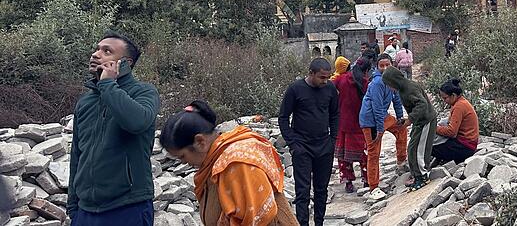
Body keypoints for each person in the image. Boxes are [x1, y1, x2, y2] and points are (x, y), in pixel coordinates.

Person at [67, 31, 160, 225]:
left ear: (126, 62)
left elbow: (136, 122)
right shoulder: (86, 102)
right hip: (85, 212)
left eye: (106, 51)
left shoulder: (143, 92)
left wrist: (108, 84)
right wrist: (73, 207)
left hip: (128, 207)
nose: (95, 54)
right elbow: (77, 154)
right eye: (97, 49)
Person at [160, 101, 299, 226]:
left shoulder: (236, 164)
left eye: (182, 156)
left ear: (200, 142)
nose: (184, 162)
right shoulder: (214, 162)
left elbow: (256, 219)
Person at [278, 58, 339, 226]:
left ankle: (319, 222)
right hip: (302, 146)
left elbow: (334, 114)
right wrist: (293, 144)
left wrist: (333, 139)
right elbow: (283, 118)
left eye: (327, 77)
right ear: (311, 73)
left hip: (324, 145)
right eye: (321, 77)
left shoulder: (330, 89)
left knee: (321, 190)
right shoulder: (295, 89)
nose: (325, 81)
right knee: (302, 191)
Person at [382, 66, 437, 191]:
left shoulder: (409, 88)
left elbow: (422, 104)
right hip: (420, 121)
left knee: (419, 150)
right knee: (412, 148)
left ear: (394, 81)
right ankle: (417, 174)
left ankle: (423, 176)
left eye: (389, 84)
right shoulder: (403, 89)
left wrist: (410, 119)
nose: (389, 88)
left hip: (426, 121)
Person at [358, 53, 408, 191]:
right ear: (377, 67)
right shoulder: (377, 83)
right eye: (382, 66)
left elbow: (396, 99)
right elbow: (377, 108)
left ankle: (401, 161)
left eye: (388, 65)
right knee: (374, 151)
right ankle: (373, 187)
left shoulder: (392, 80)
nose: (385, 68)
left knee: (401, 128)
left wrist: (399, 117)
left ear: (392, 65)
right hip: (370, 120)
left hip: (383, 116)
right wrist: (380, 130)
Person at [332, 57, 369, 193]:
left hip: (342, 123)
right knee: (364, 155)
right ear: (366, 71)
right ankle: (366, 179)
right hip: (361, 123)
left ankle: (348, 181)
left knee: (343, 156)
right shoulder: (365, 82)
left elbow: (328, 89)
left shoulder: (340, 80)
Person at [432, 79, 479, 166]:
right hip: (468, 144)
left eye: (445, 98)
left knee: (429, 147)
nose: (444, 100)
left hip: (465, 147)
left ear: (453, 95)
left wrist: (433, 128)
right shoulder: (461, 102)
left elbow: (451, 132)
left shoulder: (459, 106)